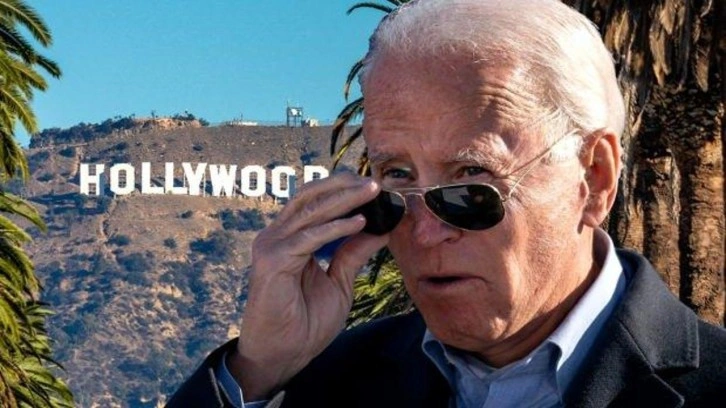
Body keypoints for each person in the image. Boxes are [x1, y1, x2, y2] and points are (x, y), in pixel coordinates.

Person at [168, 0, 726, 406]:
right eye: (396, 179)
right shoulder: (323, 383)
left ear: (593, 177)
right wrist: (260, 369)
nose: (424, 232)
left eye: (470, 182)